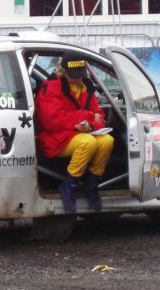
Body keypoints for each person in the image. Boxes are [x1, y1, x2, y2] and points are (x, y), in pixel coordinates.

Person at [35, 54, 114, 213]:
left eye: (80, 74)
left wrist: (89, 126)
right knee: (88, 142)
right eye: (73, 75)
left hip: (78, 134)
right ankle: (69, 185)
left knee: (107, 141)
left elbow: (101, 117)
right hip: (54, 138)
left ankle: (91, 184)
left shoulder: (86, 87)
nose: (77, 79)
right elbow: (53, 121)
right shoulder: (50, 88)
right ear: (62, 71)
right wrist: (88, 117)